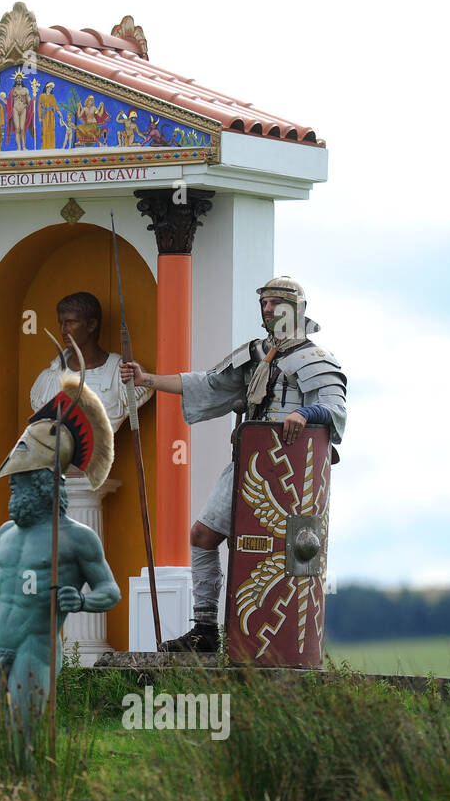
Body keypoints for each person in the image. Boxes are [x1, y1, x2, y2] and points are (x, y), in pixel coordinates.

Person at [120, 276, 347, 653]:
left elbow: (336, 410)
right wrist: (149, 380)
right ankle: (205, 629)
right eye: (264, 302)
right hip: (249, 466)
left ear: (297, 308)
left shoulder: (317, 361)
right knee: (202, 537)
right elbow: (208, 385)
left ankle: (282, 645)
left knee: (288, 552)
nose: (268, 309)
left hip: (289, 476)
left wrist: (305, 413)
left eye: (276, 302)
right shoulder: (255, 355)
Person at [0, 373, 120, 763]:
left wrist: (81, 603)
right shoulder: (5, 534)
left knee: (23, 731)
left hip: (36, 647)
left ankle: (31, 800)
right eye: (14, 483)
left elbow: (109, 592)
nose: (14, 490)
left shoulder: (77, 538)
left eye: (23, 482)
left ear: (47, 483)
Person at [29, 291, 153, 432]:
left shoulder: (122, 375)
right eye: (61, 323)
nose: (63, 330)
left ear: (91, 325)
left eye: (71, 322)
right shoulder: (47, 380)